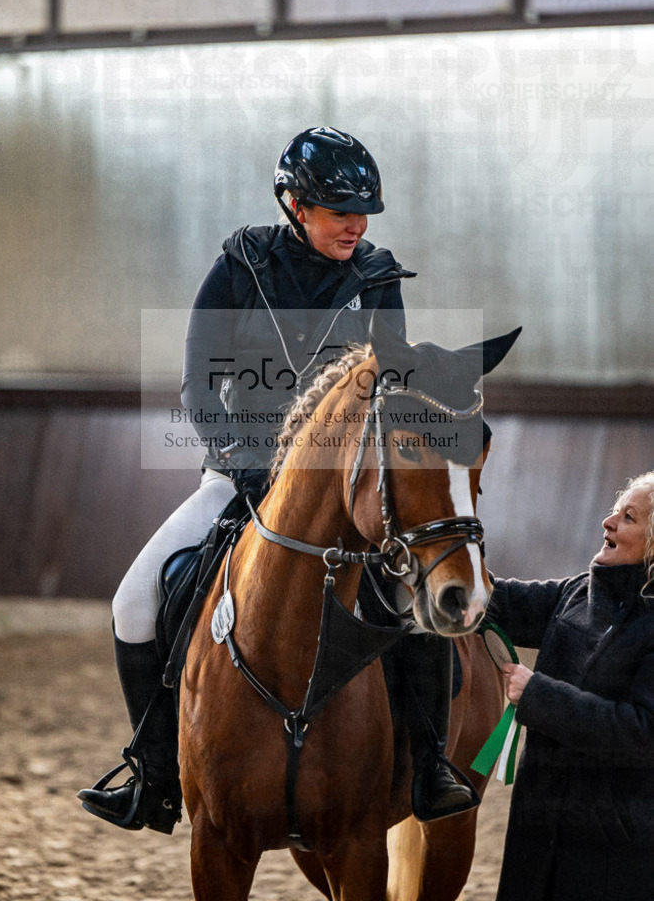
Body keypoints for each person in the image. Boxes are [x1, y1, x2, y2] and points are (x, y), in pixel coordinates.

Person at [77, 126, 474, 834]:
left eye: (364, 213)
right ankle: (155, 775)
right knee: (133, 603)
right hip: (239, 474)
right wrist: (239, 459)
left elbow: (389, 392)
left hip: (341, 488)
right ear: (295, 204)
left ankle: (428, 766)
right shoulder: (240, 268)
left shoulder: (377, 279)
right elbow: (199, 383)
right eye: (340, 211)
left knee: (415, 607)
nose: (356, 226)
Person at [489, 472, 654, 901]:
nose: (608, 521)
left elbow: (642, 733)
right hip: (536, 827)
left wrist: (539, 696)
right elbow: (495, 601)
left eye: (629, 517)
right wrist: (445, 554)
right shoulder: (577, 592)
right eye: (615, 511)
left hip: (609, 852)